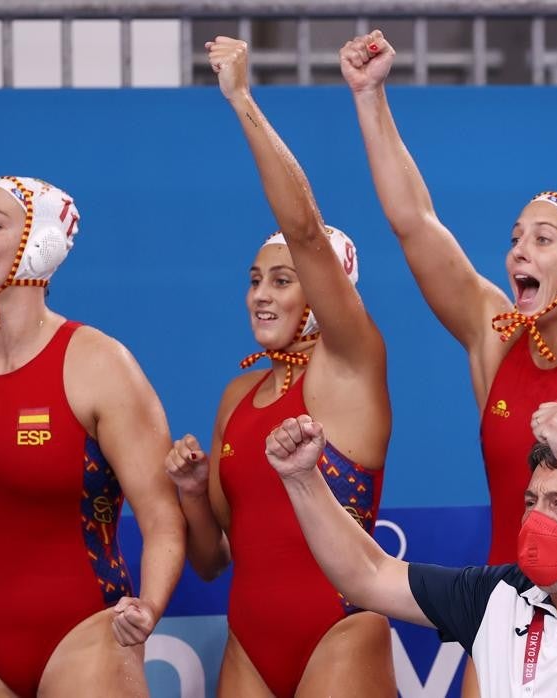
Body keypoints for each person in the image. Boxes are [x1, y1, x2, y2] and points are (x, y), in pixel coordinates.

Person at [338, 30, 557, 567]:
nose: (518, 251)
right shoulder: (497, 339)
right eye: (516, 237)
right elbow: (416, 225)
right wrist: (368, 96)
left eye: (543, 239)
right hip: (503, 602)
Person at [0, 176, 185, 696]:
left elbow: (162, 517)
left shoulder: (99, 364)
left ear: (41, 247)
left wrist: (149, 608)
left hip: (88, 633)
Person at [162, 37, 395, 697]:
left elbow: (304, 228)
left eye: (283, 280)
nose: (261, 294)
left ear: (324, 295)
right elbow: (211, 562)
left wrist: (241, 100)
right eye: (255, 280)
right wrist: (190, 490)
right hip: (248, 642)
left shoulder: (353, 365)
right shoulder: (239, 395)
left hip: (340, 631)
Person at [261, 402, 557, 697]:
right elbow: (367, 575)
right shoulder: (497, 595)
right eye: (532, 502)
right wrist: (302, 478)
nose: (536, 518)